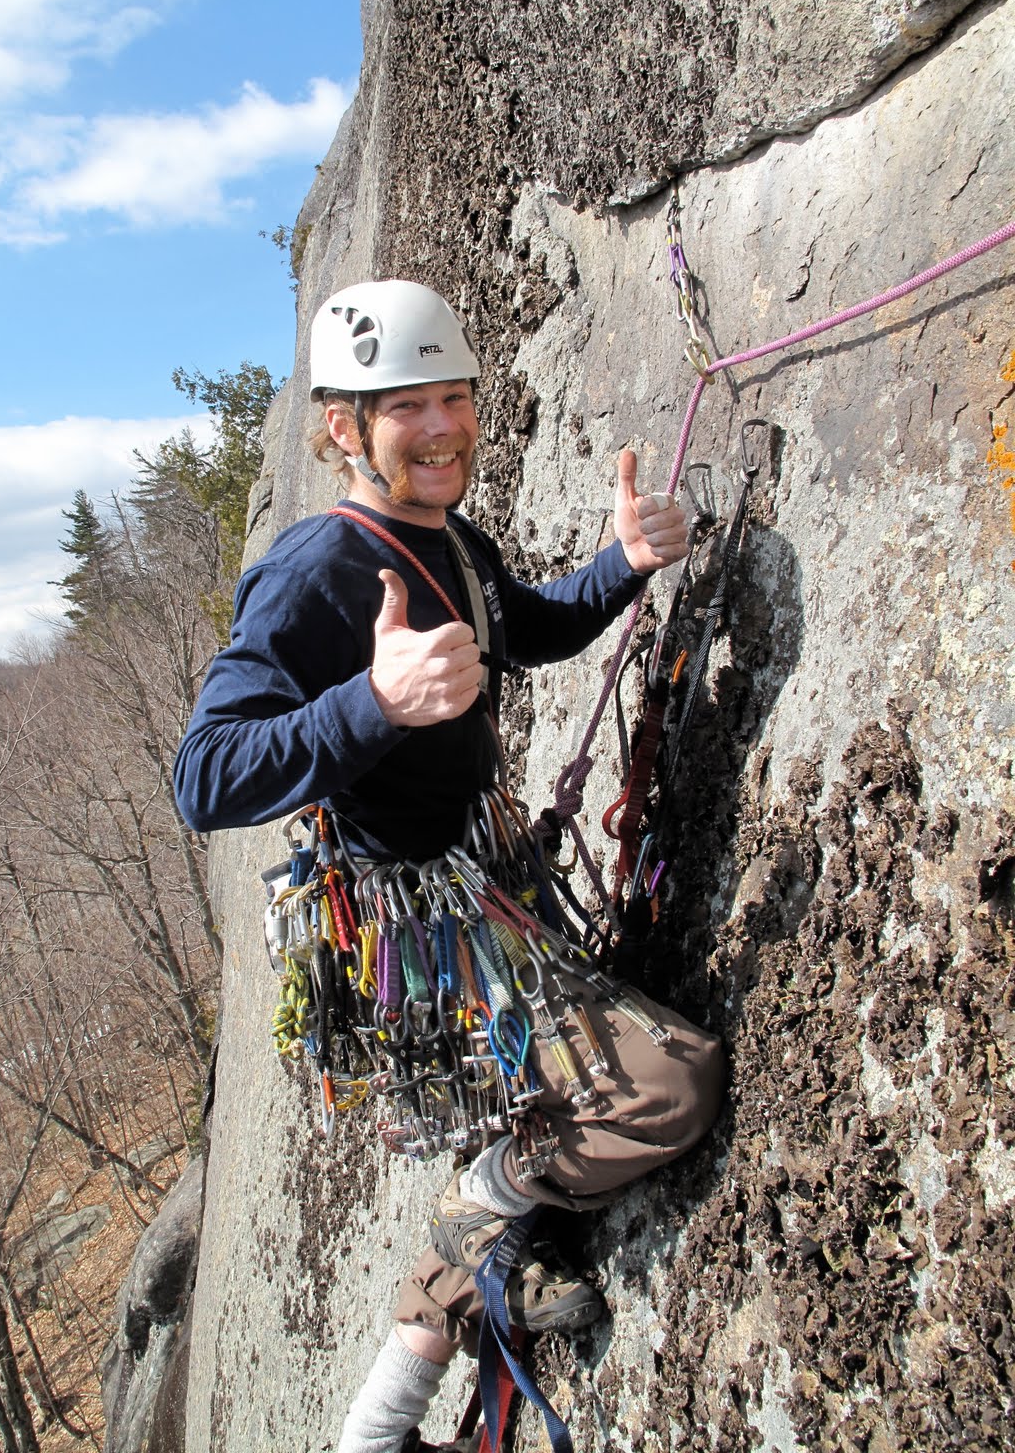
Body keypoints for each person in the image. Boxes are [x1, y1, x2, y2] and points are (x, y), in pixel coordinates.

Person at [174, 279, 723, 1452]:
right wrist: (369, 702)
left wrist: (620, 562)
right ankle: (486, 1210)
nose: (441, 428)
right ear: (340, 428)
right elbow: (205, 776)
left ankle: (379, 1423)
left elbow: (527, 623)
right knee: (670, 1090)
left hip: (479, 879)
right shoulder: (316, 569)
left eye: (455, 397)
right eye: (405, 407)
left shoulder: (448, 533)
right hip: (416, 931)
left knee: (560, 1076)